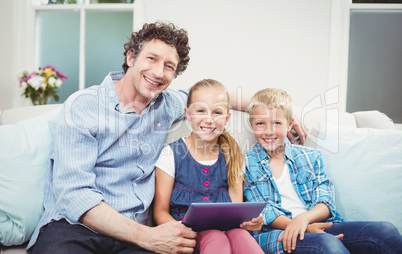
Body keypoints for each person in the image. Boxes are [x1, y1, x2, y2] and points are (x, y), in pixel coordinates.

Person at [27, 21, 307, 254]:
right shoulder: (83, 106)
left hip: (135, 236)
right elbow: (75, 196)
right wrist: (145, 236)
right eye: (151, 59)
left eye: (169, 67)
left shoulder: (167, 103)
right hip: (75, 229)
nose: (159, 72)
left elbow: (216, 97)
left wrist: (273, 112)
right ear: (130, 58)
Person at [243, 88, 402, 254]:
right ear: (252, 124)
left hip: (319, 223)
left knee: (385, 231)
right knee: (327, 244)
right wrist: (298, 226)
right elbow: (264, 210)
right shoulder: (247, 163)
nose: (269, 131)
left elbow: (326, 201)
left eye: (277, 123)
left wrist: (303, 219)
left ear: (290, 124)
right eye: (261, 123)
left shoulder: (311, 156)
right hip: (279, 233)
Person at [153, 79, 264, 254]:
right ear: (188, 114)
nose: (209, 119)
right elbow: (159, 212)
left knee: (241, 236)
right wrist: (179, 229)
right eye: (201, 111)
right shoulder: (171, 154)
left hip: (226, 233)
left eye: (217, 112)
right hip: (186, 237)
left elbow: (236, 212)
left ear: (227, 118)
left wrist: (251, 222)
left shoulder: (233, 156)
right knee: (215, 237)